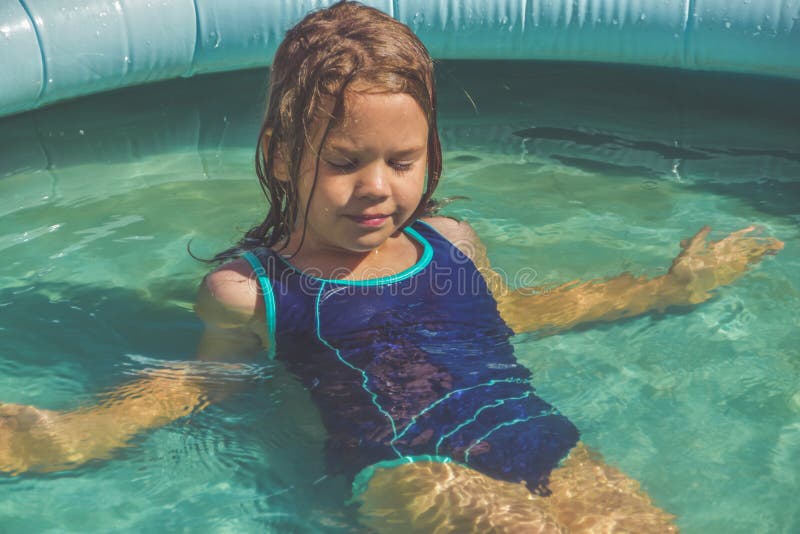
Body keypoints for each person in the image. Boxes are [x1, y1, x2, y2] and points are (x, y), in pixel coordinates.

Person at [0, 2, 783, 531]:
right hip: (405, 468)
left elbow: (514, 314)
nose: (378, 186)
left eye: (402, 159)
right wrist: (76, 433)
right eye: (345, 161)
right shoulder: (252, 292)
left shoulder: (452, 244)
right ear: (281, 154)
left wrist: (664, 289)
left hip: (534, 437)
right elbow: (196, 382)